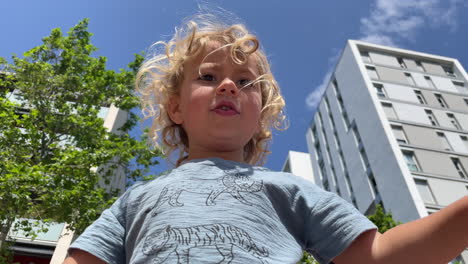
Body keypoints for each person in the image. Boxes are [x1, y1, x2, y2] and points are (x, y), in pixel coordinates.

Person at [63, 14, 468, 264]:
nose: (227, 86)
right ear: (176, 108)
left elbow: (377, 255)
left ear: (261, 116)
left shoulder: (288, 189)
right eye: (208, 77)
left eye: (245, 82)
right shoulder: (136, 199)